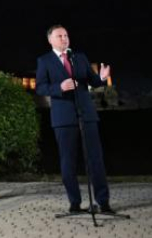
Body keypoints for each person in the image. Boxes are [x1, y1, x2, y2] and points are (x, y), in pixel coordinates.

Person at [36, 24, 113, 214]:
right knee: (68, 161)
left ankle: (103, 202)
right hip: (63, 117)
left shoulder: (80, 57)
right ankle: (75, 203)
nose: (64, 38)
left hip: (86, 114)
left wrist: (101, 78)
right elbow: (40, 87)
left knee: (95, 159)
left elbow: (92, 81)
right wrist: (59, 87)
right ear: (50, 40)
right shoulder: (44, 61)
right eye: (60, 36)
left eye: (66, 35)